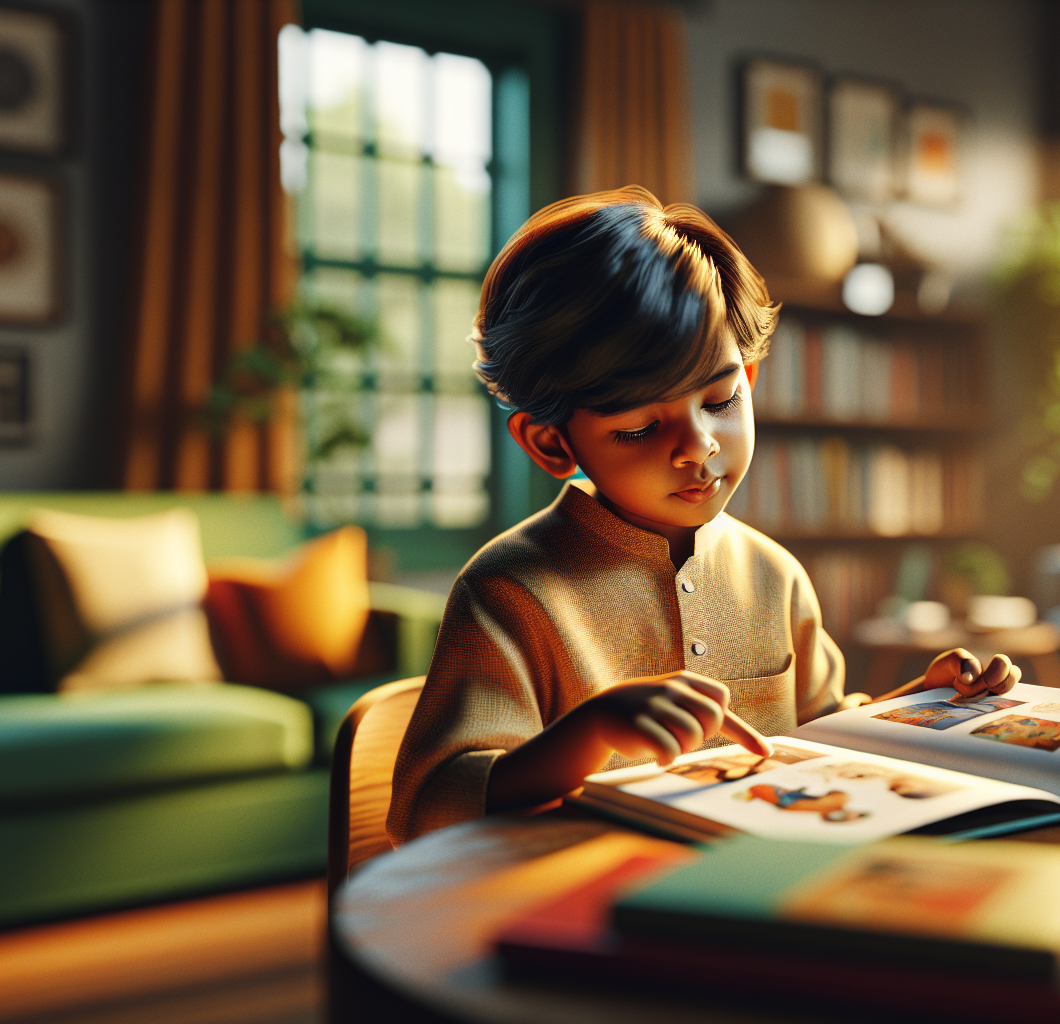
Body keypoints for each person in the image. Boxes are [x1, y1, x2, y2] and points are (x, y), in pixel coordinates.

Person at [386, 187, 1019, 843]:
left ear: (747, 378)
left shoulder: (774, 575)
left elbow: (822, 738)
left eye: (719, 401)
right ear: (551, 442)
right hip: (584, 910)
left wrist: (928, 700)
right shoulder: (510, 593)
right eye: (639, 429)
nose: (699, 447)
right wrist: (588, 734)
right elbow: (429, 808)